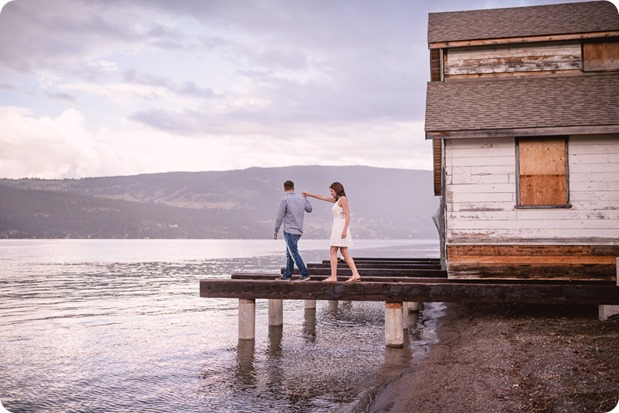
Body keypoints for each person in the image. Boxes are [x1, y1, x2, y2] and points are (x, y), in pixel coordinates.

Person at [302, 182, 361, 283]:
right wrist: (310, 194)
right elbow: (322, 197)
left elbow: (348, 216)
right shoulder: (337, 200)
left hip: (341, 229)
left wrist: (344, 231)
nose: (331, 193)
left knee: (334, 251)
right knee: (343, 252)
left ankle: (334, 277)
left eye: (332, 191)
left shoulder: (343, 200)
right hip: (337, 228)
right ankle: (355, 274)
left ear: (337, 190)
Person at [274, 180, 313, 281]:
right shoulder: (301, 199)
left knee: (293, 253)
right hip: (299, 231)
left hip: (289, 230)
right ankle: (287, 275)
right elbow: (309, 209)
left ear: (284, 189)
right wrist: (305, 198)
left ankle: (305, 274)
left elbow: (279, 217)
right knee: (290, 253)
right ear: (293, 188)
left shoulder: (284, 199)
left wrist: (276, 230)